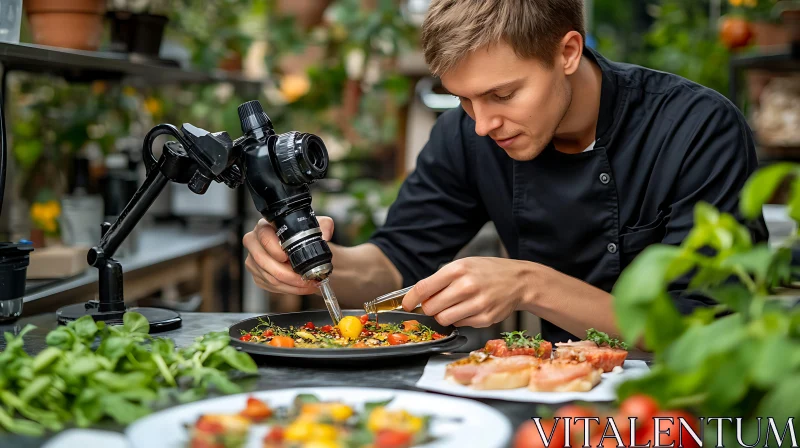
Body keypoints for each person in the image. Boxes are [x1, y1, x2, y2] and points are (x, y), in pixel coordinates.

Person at [243, 0, 768, 344]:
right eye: (463, 100)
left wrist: (529, 285)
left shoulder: (697, 128)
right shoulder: (465, 134)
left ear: (567, 52)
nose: (481, 125)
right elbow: (399, 259)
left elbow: (701, 327)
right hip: (546, 397)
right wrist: (322, 266)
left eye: (503, 94)